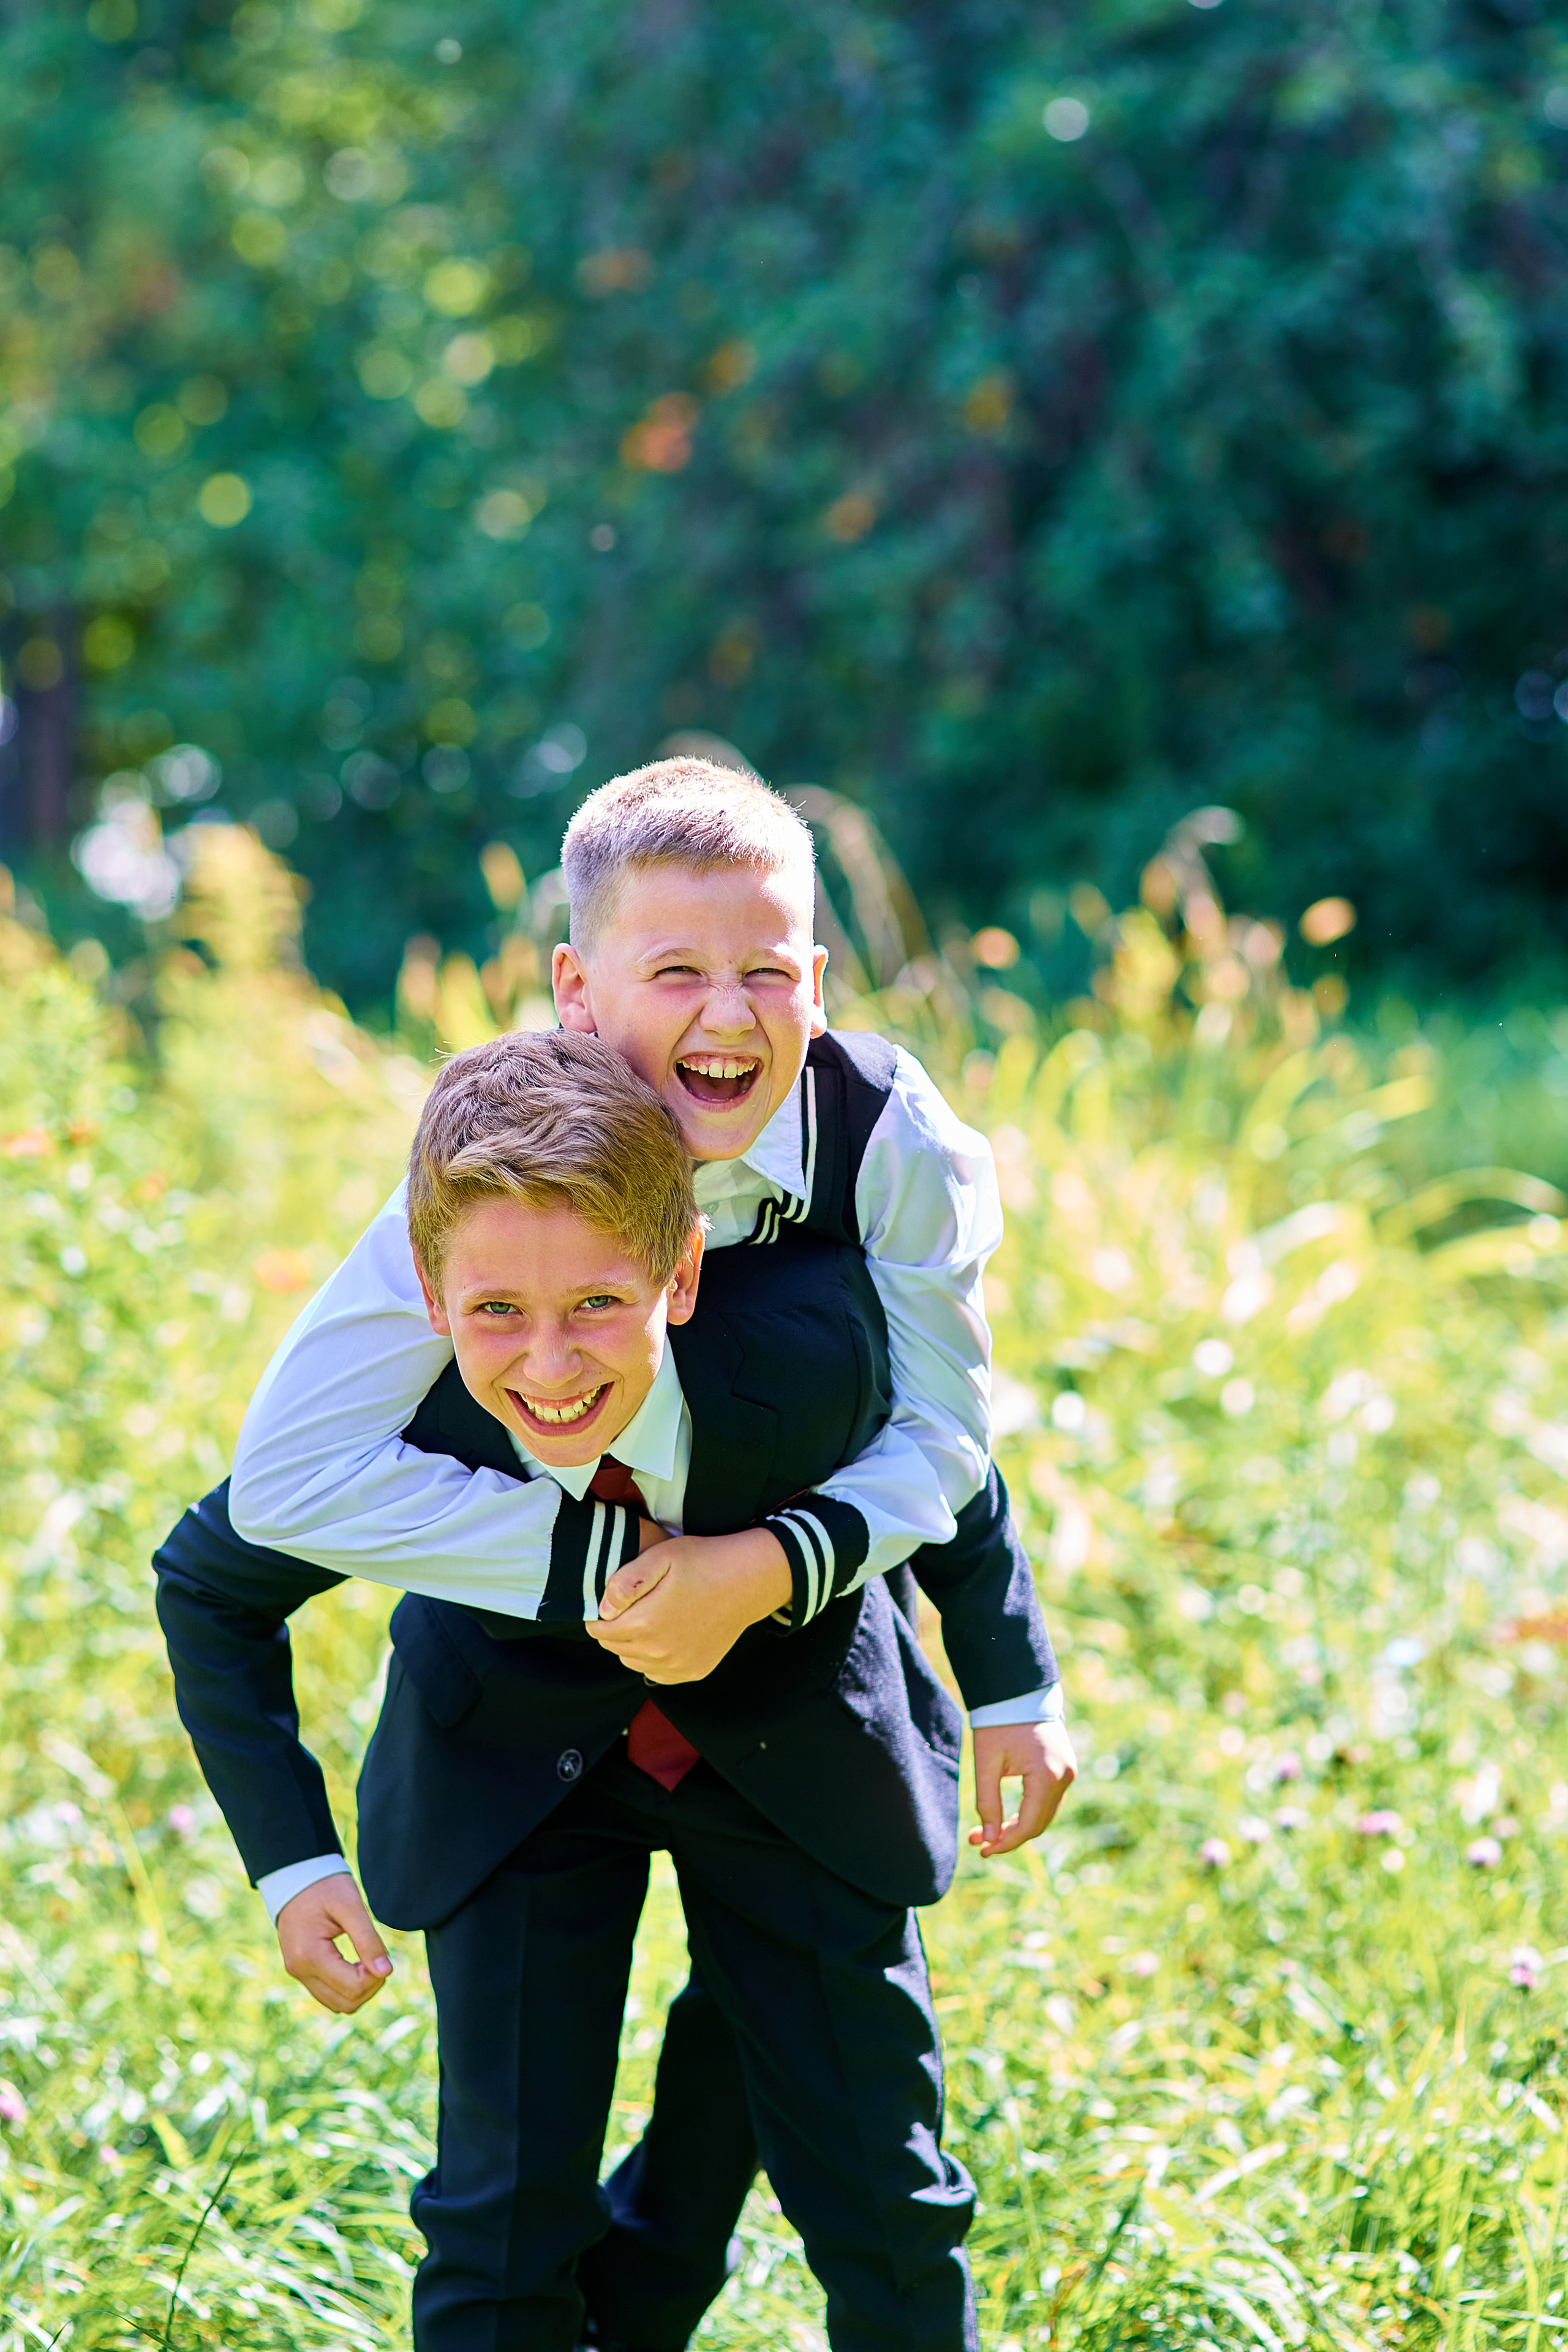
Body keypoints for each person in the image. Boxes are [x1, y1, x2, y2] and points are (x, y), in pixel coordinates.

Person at [156, 1031, 1070, 2352]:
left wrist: (1010, 1683)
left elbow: (943, 1455)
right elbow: (209, 1582)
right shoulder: (399, 1418)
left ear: (680, 1275)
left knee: (882, 2192)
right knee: (500, 2214)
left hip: (793, 1735)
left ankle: (645, 2292)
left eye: (595, 1307)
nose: (546, 1366)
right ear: (430, 1300)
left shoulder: (808, 1338)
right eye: (496, 1317)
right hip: (511, 1773)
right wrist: (293, 1865)